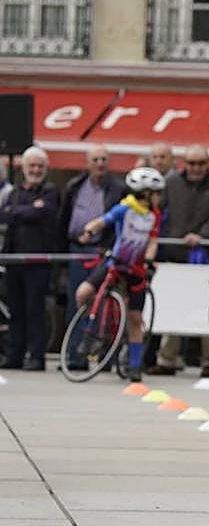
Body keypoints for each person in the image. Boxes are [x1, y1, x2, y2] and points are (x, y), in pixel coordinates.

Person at [147, 145, 209, 378]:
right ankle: (167, 359)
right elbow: (158, 210)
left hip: (206, 256)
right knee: (174, 307)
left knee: (208, 309)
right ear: (184, 163)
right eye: (191, 163)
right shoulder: (171, 182)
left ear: (208, 163)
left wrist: (203, 236)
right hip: (175, 255)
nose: (196, 168)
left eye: (201, 163)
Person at [75, 168, 165, 382]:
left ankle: (134, 365)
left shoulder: (154, 215)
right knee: (83, 293)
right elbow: (103, 220)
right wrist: (89, 231)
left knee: (135, 319)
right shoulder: (125, 208)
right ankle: (94, 327)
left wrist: (150, 259)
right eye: (156, 192)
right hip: (115, 262)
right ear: (144, 193)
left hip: (136, 269)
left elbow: (152, 241)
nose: (159, 197)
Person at [59, 144, 126, 370]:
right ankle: (75, 356)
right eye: (95, 160)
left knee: (105, 305)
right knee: (76, 303)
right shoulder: (75, 186)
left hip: (103, 252)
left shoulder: (118, 189)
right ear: (87, 163)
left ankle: (104, 358)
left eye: (104, 160)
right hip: (77, 251)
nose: (100, 164)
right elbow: (64, 218)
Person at [0, 146, 59, 370]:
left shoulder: (50, 191)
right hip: (14, 260)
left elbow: (42, 212)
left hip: (38, 261)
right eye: (31, 166)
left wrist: (19, 211)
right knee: (16, 310)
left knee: (35, 310)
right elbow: (5, 213)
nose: (35, 170)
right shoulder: (15, 190)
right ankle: (14, 355)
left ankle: (36, 356)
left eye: (40, 166)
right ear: (23, 167)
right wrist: (26, 210)